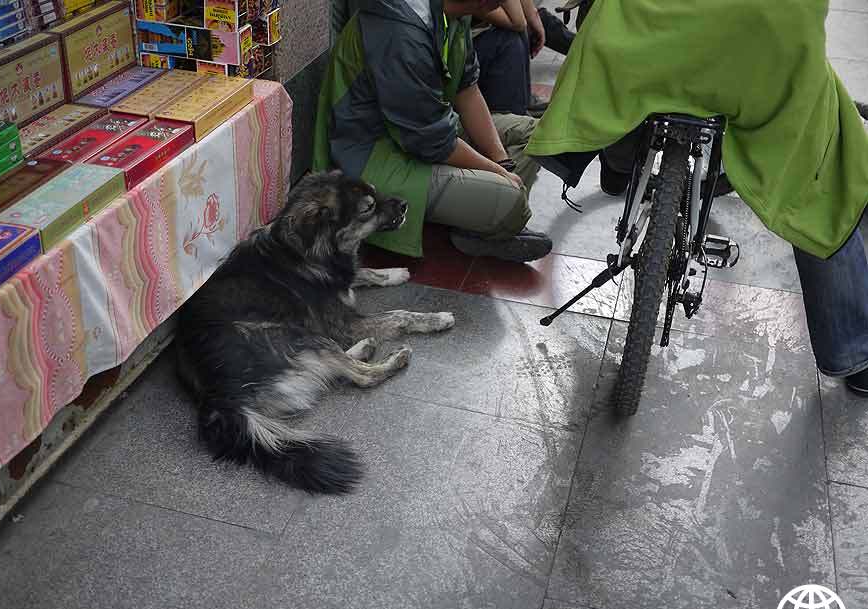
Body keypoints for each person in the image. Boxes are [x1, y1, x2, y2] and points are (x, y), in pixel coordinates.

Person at [526, 0, 868, 396]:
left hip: (653, 34)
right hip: (762, 40)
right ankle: (853, 354)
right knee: (816, 177)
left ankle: (617, 150)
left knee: (606, 39)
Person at [313, 0, 551, 263]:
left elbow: (467, 90)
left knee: (539, 137)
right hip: (373, 158)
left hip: (423, 135)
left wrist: (501, 162)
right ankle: (484, 216)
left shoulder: (456, 12)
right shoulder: (400, 28)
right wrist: (498, 173)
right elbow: (432, 142)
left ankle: (477, 215)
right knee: (513, 201)